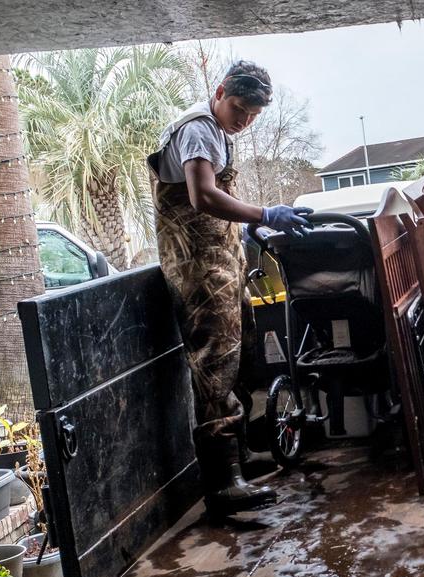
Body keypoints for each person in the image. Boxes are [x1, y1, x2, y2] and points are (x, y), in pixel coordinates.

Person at [147, 61, 313, 516]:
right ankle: (222, 485)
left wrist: (245, 234)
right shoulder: (199, 129)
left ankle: (237, 467)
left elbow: (207, 209)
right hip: (199, 273)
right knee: (215, 368)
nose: (244, 120)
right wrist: (263, 214)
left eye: (254, 115)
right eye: (240, 108)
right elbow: (201, 197)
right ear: (220, 92)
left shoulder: (218, 133)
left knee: (238, 361)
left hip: (222, 265)